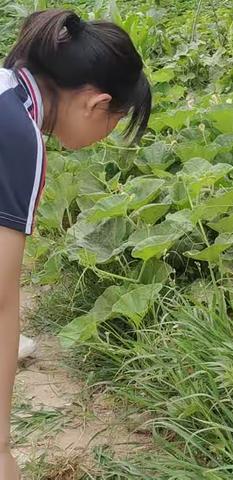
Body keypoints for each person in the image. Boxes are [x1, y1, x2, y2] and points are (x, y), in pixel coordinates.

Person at [0, 9, 151, 478]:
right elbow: (1, 299)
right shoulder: (18, 134)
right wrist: (1, 449)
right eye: (117, 120)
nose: (107, 134)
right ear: (95, 103)